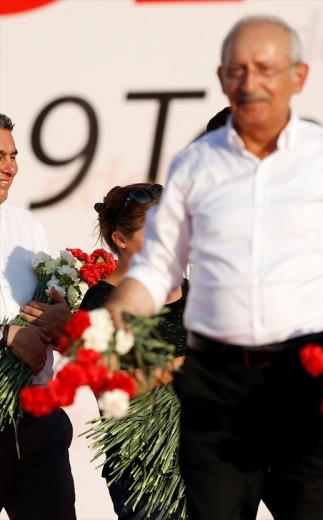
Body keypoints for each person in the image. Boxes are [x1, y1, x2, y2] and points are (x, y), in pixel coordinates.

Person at [104, 15, 323, 520]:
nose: (250, 82)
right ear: (222, 78)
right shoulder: (193, 166)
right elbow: (154, 271)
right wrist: (113, 316)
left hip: (308, 388)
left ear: (298, 76)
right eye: (237, 70)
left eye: (266, 68)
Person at [80, 182, 187, 520]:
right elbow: (111, 390)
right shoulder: (100, 303)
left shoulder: (196, 291)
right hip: (145, 472)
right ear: (121, 240)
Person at [0, 113, 76, 519]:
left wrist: (59, 318)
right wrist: (7, 337)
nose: (8, 167)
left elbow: (52, 301)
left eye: (13, 155)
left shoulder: (27, 225)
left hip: (36, 419)